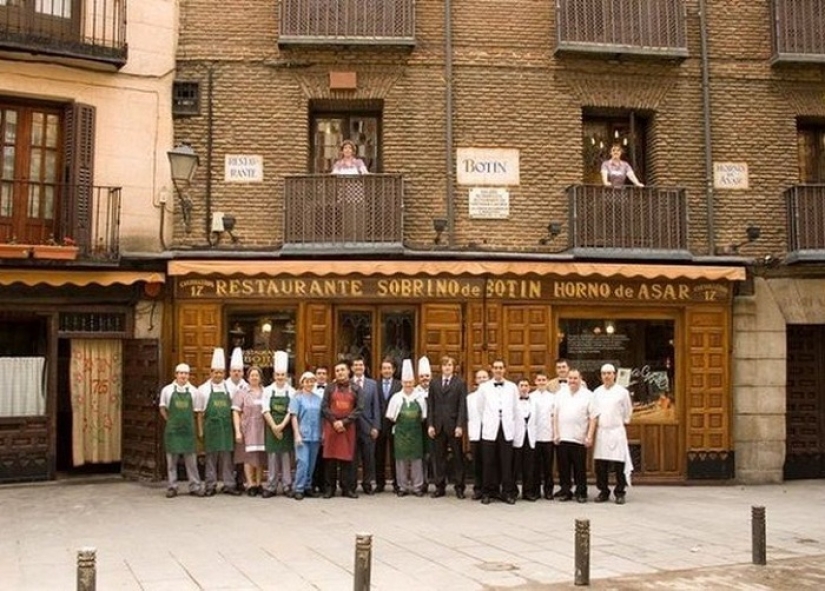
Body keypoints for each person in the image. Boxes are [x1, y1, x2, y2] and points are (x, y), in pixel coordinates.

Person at [196, 348, 239, 496]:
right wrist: (201, 431)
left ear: (224, 374)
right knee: (210, 458)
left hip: (227, 428)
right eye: (216, 372)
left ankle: (229, 484)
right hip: (211, 428)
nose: (218, 375)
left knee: (228, 458)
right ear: (211, 373)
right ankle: (210, 485)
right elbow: (200, 413)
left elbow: (235, 410)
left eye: (221, 372)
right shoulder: (203, 389)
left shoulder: (231, 389)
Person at [477, 359, 519, 505]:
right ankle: (488, 492)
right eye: (496, 368)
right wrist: (490, 419)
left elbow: (515, 408)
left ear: (505, 369)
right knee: (488, 462)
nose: (498, 370)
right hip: (490, 428)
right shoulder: (484, 387)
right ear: (491, 370)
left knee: (506, 462)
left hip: (506, 428)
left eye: (501, 367)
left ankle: (507, 492)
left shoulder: (513, 387)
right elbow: (480, 408)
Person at [159, 363, 204, 498]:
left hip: (188, 431)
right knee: (171, 461)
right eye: (180, 373)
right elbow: (162, 408)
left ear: (188, 376)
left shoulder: (194, 392)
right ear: (176, 374)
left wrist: (198, 429)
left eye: (186, 373)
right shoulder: (167, 390)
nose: (183, 376)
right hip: (173, 431)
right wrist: (170, 421)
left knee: (191, 461)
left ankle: (195, 486)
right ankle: (172, 486)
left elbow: (198, 412)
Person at [427, 356, 468, 499]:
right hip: (438, 425)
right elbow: (430, 405)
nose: (447, 367)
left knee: (457, 457)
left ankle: (459, 487)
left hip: (453, 425)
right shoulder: (434, 383)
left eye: (450, 365)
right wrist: (430, 424)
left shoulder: (460, 383)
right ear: (441, 367)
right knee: (439, 457)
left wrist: (459, 425)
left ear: (454, 367)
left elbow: (462, 405)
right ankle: (439, 486)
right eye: (444, 365)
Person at [386, 359, 428, 497]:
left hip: (416, 432)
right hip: (401, 433)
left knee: (417, 460)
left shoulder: (420, 398)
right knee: (401, 460)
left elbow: (423, 416)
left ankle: (417, 486)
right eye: (406, 383)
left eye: (410, 383)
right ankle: (402, 486)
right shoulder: (396, 398)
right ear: (402, 383)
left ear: (413, 383)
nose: (408, 385)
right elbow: (391, 416)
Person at [592, 363, 633, 505]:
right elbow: (594, 412)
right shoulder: (596, 392)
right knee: (600, 465)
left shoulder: (622, 392)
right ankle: (603, 491)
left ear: (614, 374)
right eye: (604, 374)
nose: (607, 376)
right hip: (602, 432)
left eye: (609, 373)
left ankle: (620, 492)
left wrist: (623, 422)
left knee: (619, 464)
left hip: (616, 431)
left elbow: (628, 411)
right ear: (601, 376)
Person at [321, 360, 363, 498]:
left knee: (347, 459)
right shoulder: (330, 388)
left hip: (348, 428)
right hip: (332, 427)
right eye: (337, 370)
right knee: (330, 460)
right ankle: (329, 489)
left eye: (342, 370)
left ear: (348, 371)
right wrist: (334, 421)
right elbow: (324, 407)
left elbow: (359, 409)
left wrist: (344, 422)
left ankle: (347, 489)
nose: (340, 372)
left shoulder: (356, 388)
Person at [553, 369, 596, 503]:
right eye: (570, 378)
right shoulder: (560, 394)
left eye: (575, 378)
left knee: (579, 467)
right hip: (563, 437)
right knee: (563, 467)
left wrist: (589, 436)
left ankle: (581, 492)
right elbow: (555, 415)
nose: (572, 381)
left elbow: (593, 417)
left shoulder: (588, 395)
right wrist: (556, 433)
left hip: (579, 438)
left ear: (580, 379)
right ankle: (566, 491)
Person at [262, 351, 294, 498]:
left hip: (286, 428)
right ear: (274, 376)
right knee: (273, 456)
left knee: (286, 457)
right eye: (278, 375)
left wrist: (281, 426)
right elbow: (265, 410)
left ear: (286, 376)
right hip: (271, 426)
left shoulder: (292, 392)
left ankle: (287, 485)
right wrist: (274, 426)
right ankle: (271, 485)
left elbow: (291, 411)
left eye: (283, 375)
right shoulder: (267, 391)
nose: (280, 377)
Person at [232, 366, 267, 496]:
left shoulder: (266, 392)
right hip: (247, 427)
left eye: (256, 375)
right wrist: (237, 431)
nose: (254, 378)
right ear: (248, 377)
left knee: (260, 456)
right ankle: (250, 483)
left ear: (260, 378)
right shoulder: (242, 392)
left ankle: (259, 483)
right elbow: (236, 411)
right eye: (252, 375)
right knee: (248, 457)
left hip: (262, 427)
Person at [289, 371, 323, 500]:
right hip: (302, 435)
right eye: (306, 381)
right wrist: (297, 434)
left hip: (315, 435)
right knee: (302, 462)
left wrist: (322, 433)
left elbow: (322, 417)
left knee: (312, 463)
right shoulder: (297, 398)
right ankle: (298, 488)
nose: (309, 383)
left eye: (311, 381)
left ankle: (308, 487)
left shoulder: (318, 399)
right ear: (302, 382)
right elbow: (294, 417)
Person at [351, 356, 380, 495]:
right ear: (352, 368)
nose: (358, 367)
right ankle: (351, 484)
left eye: (360, 365)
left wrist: (376, 426)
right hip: (351, 426)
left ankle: (367, 483)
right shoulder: (346, 383)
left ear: (364, 367)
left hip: (368, 426)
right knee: (352, 457)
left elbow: (376, 406)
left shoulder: (372, 384)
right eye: (356, 365)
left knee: (368, 457)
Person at [375, 358, 402, 493]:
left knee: (394, 454)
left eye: (389, 368)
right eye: (384, 368)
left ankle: (397, 483)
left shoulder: (399, 385)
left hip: (394, 424)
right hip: (379, 424)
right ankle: (380, 483)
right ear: (380, 370)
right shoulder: (376, 384)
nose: (386, 371)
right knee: (378, 455)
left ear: (393, 370)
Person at [530, 370, 556, 501]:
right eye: (539, 380)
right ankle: (535, 490)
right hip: (534, 437)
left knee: (548, 466)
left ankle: (548, 490)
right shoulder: (531, 397)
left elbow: (554, 417)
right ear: (535, 382)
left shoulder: (552, 397)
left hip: (548, 436)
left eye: (543, 380)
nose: (541, 382)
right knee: (535, 466)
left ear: (547, 382)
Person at [226, 347, 248, 491]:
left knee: (241, 454)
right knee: (228, 454)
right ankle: (228, 482)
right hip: (226, 424)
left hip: (243, 425)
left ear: (242, 372)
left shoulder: (247, 386)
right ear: (230, 372)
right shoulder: (223, 386)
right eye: (234, 370)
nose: (236, 373)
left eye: (239, 371)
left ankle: (240, 480)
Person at [513, 378, 537, 501]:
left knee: (529, 467)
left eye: (526, 385)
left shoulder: (534, 402)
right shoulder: (513, 402)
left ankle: (528, 492)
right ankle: (513, 491)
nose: (523, 388)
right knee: (514, 467)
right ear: (518, 388)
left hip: (530, 438)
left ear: (529, 388)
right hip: (517, 438)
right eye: (521, 385)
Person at [466, 369, 489, 500]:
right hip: (475, 433)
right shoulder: (470, 398)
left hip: (490, 433)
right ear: (475, 380)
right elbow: (468, 416)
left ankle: (491, 488)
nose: (482, 380)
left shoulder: (493, 396)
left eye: (484, 377)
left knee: (489, 462)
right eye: (479, 377)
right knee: (477, 463)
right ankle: (478, 489)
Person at [311, 366, 329, 494]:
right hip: (312, 425)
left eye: (324, 373)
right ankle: (312, 483)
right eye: (319, 373)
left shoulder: (332, 389)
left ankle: (324, 484)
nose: (321, 376)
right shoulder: (309, 389)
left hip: (327, 425)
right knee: (313, 456)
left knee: (325, 457)